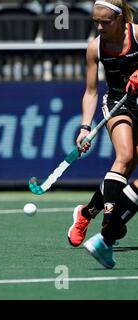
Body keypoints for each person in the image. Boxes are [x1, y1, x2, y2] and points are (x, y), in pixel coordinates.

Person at [67, 0, 136, 248]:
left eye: (104, 22)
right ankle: (110, 222)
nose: (99, 27)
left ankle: (85, 214)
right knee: (125, 155)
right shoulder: (95, 48)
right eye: (95, 22)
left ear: (119, 19)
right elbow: (91, 92)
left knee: (125, 169)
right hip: (119, 103)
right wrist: (85, 128)